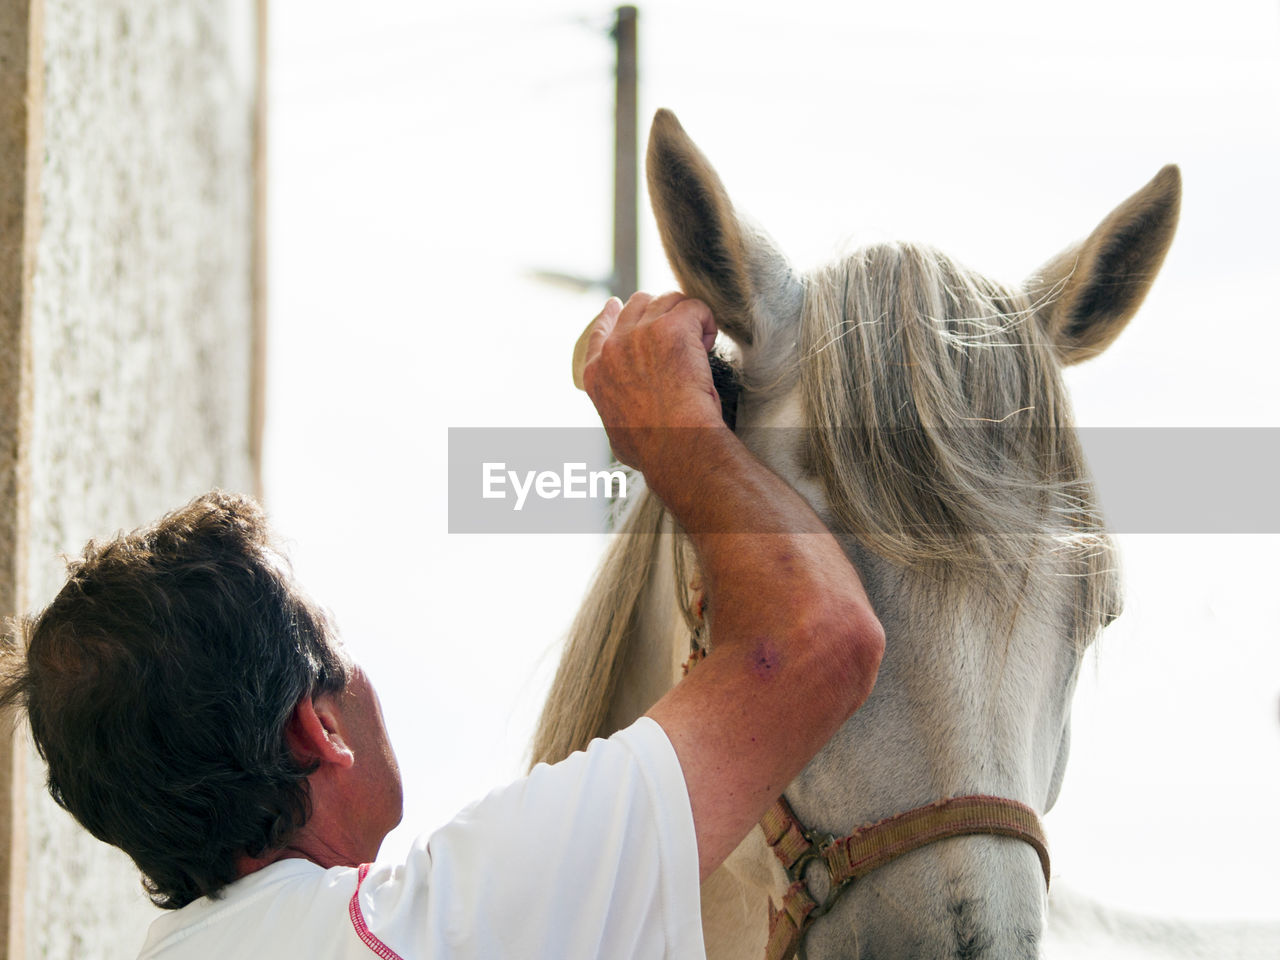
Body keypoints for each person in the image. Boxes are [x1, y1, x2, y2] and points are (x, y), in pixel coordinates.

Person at [0, 292, 884, 959]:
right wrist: (678, 432)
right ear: (318, 729)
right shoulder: (427, 930)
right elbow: (820, 640)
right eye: (341, 660)